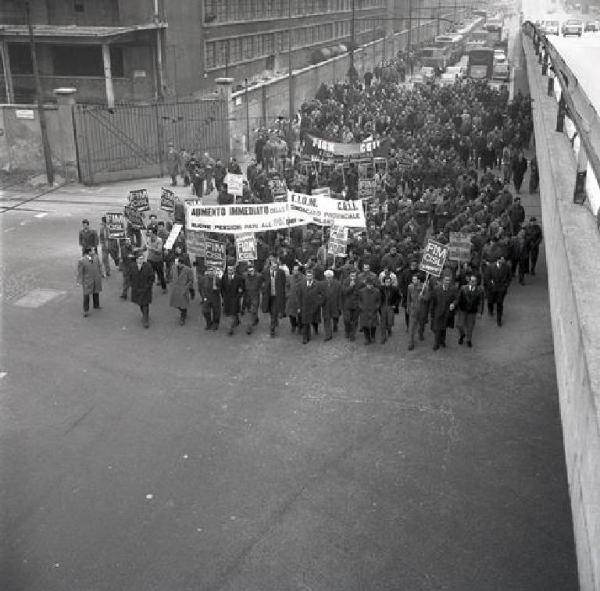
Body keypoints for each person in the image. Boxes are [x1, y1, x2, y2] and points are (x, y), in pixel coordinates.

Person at [429, 274, 458, 350]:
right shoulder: (436, 289)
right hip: (438, 312)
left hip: (447, 313)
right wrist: (432, 313)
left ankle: (442, 341)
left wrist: (453, 304)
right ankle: (436, 343)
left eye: (449, 280)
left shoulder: (453, 289)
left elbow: (456, 299)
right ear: (442, 281)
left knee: (444, 328)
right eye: (446, 280)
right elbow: (433, 301)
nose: (447, 282)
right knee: (437, 328)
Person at [129, 248, 154, 328]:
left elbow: (152, 277)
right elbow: (130, 276)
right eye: (140, 259)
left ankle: (145, 320)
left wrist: (148, 286)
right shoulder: (132, 266)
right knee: (140, 303)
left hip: (145, 288)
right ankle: (144, 315)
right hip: (136, 288)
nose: (141, 260)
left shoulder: (148, 266)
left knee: (145, 303)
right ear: (136, 260)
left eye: (142, 258)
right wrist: (132, 284)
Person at [297, 268, 324, 344]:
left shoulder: (317, 284)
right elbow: (299, 296)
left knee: (311, 321)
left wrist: (319, 303)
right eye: (307, 276)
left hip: (314, 307)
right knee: (305, 322)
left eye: (310, 276)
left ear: (313, 276)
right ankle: (305, 338)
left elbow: (322, 295)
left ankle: (309, 335)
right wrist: (299, 307)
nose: (309, 277)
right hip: (304, 306)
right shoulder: (302, 284)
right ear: (305, 276)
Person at [483, 255, 512, 326]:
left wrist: (506, 285)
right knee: (490, 301)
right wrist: (490, 285)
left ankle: (499, 319)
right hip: (492, 289)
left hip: (501, 289)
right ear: (498, 260)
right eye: (502, 259)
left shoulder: (507, 267)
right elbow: (487, 277)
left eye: (504, 259)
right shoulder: (490, 267)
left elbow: (509, 277)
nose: (503, 261)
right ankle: (490, 309)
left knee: (500, 303)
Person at [261, 260, 287, 337]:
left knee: (274, 311)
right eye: (273, 266)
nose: (274, 267)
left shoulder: (281, 272)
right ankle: (275, 320)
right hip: (268, 296)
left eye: (276, 266)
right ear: (270, 265)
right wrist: (263, 289)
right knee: (270, 311)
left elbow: (283, 283)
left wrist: (282, 294)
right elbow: (262, 282)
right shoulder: (265, 272)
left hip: (277, 296)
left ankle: (272, 330)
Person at [456, 274, 484, 347]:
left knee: (470, 327)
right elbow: (458, 298)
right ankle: (462, 335)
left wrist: (479, 312)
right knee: (460, 325)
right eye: (471, 281)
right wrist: (454, 305)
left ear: (476, 282)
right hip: (462, 310)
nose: (472, 282)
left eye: (474, 281)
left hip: (472, 311)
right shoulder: (463, 288)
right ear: (469, 281)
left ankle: (468, 340)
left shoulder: (480, 291)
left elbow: (481, 302)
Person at [77, 247, 103, 317]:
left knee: (96, 291)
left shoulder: (96, 257)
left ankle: (96, 305)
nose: (94, 251)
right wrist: (79, 281)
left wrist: (101, 273)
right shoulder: (82, 260)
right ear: (89, 252)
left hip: (96, 278)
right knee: (86, 295)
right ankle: (86, 310)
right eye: (92, 250)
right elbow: (80, 272)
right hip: (87, 280)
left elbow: (99, 266)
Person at [169, 253, 194, 325]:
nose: (175, 263)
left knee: (183, 304)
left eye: (177, 262)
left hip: (183, 289)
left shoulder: (188, 270)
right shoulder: (173, 267)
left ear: (181, 263)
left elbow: (190, 280)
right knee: (176, 304)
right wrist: (171, 283)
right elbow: (171, 275)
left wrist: (187, 287)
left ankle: (183, 316)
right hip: (175, 289)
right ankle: (184, 312)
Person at [407, 273, 430, 351]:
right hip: (413, 310)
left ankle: (421, 333)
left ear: (419, 280)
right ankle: (411, 342)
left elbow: (427, 298)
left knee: (422, 324)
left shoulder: (425, 287)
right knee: (412, 327)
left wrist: (422, 296)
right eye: (412, 279)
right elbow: (408, 299)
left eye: (415, 279)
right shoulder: (410, 287)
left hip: (422, 310)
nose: (413, 281)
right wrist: (408, 308)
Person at [221, 265, 245, 335]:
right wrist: (223, 296)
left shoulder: (238, 278)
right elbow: (222, 288)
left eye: (231, 269)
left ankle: (230, 328)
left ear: (234, 270)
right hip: (227, 298)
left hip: (235, 298)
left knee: (232, 313)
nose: (230, 271)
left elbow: (241, 288)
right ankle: (236, 320)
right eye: (228, 269)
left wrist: (238, 297)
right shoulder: (224, 277)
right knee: (230, 312)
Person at [358, 276, 381, 345]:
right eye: (368, 284)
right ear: (366, 284)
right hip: (364, 311)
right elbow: (359, 300)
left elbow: (379, 300)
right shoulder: (361, 291)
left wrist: (377, 307)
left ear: (373, 284)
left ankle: (373, 336)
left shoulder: (377, 291)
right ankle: (367, 338)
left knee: (373, 325)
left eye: (371, 284)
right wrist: (361, 307)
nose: (369, 286)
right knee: (365, 325)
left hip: (373, 310)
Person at [321, 269, 342, 341]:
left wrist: (339, 306)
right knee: (326, 319)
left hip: (335, 305)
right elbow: (319, 294)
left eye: (329, 277)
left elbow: (340, 296)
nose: (328, 279)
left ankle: (335, 325)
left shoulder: (338, 284)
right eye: (327, 277)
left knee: (335, 317)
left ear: (332, 277)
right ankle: (328, 335)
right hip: (326, 305)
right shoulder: (322, 284)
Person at [243, 263, 263, 334]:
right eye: (249, 271)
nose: (250, 272)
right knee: (250, 310)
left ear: (254, 270)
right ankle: (256, 319)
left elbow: (261, 284)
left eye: (252, 270)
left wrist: (260, 291)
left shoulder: (259, 276)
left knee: (252, 311)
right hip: (247, 296)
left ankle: (249, 328)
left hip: (255, 295)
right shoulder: (244, 276)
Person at [379, 275, 399, 343]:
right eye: (386, 282)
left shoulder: (395, 289)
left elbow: (399, 298)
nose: (388, 283)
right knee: (383, 322)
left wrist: (395, 305)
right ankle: (383, 337)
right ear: (384, 282)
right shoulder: (381, 288)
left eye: (389, 282)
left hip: (391, 307)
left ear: (391, 282)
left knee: (390, 322)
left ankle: (389, 329)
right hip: (383, 307)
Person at [342, 270, 361, 341]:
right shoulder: (345, 281)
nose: (353, 277)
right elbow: (344, 292)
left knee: (354, 321)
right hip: (347, 304)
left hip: (356, 305)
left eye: (354, 276)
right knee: (346, 320)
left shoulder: (359, 282)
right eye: (351, 276)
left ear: (356, 276)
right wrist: (350, 286)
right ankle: (347, 331)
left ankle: (352, 334)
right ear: (349, 275)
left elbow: (361, 293)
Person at [285, 263, 304, 334]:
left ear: (299, 271)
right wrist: (287, 294)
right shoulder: (289, 277)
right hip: (291, 299)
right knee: (291, 314)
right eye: (294, 270)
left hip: (300, 299)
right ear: (292, 271)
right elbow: (286, 286)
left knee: (300, 315)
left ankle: (300, 327)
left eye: (297, 270)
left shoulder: (303, 278)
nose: (295, 271)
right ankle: (293, 326)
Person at [146, 228, 167, 293]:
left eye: (150, 232)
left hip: (158, 261)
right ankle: (148, 289)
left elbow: (159, 251)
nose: (149, 234)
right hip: (150, 260)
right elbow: (146, 246)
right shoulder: (148, 239)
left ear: (154, 234)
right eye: (148, 232)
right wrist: (140, 249)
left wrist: (151, 248)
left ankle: (164, 288)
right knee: (149, 275)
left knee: (160, 275)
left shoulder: (159, 240)